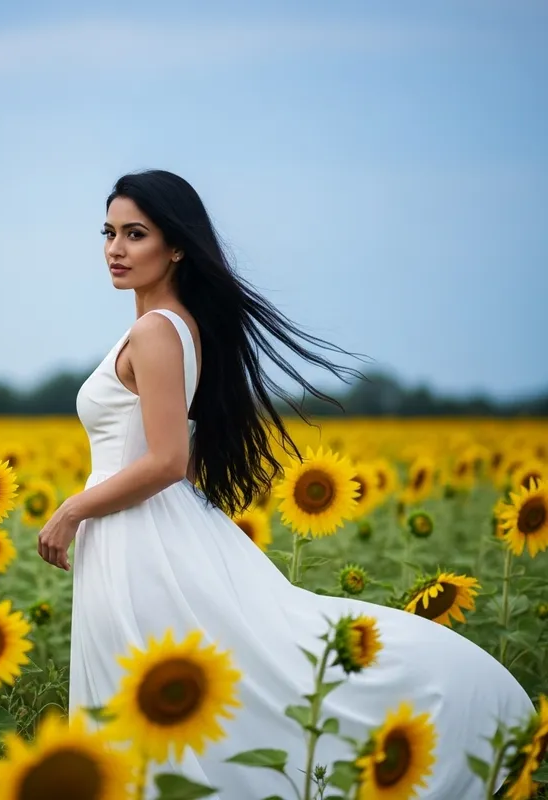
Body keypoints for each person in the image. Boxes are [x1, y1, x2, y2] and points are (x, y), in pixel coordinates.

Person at [36, 169, 534, 798]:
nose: (115, 248)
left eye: (135, 234)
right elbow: (176, 461)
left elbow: (165, 462)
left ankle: (455, 707)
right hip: (143, 535)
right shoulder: (177, 325)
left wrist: (72, 510)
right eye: (109, 233)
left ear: (178, 245)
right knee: (191, 693)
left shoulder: (157, 330)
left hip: (137, 539)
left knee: (170, 699)